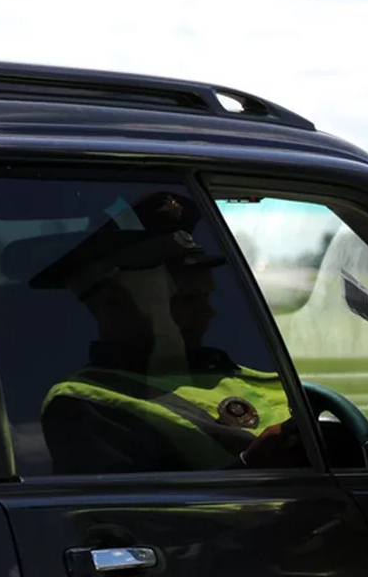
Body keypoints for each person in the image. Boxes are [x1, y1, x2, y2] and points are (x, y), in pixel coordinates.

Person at [34, 191, 305, 474]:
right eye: (184, 299)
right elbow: (132, 514)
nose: (208, 314)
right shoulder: (85, 401)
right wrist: (251, 467)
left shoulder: (234, 371)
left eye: (207, 297)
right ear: (111, 304)